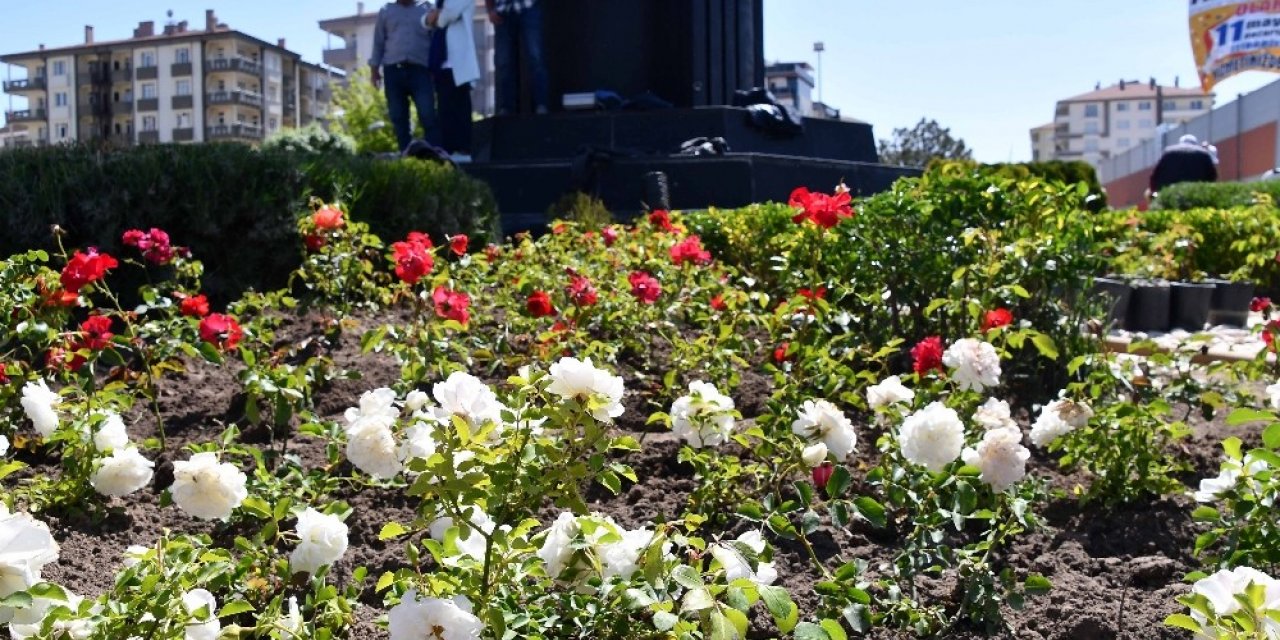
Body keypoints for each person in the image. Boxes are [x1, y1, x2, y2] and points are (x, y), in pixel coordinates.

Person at [369, 0, 440, 152]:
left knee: (428, 115)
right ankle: (405, 156)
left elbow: (435, 40)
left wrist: (436, 69)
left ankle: (436, 156)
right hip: (393, 71)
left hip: (420, 70)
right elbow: (378, 42)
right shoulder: (386, 10)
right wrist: (374, 70)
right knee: (398, 118)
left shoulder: (427, 9)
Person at [425, 0, 480, 160]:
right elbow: (425, 21)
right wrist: (432, 17)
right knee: (444, 111)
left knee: (460, 109)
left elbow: (445, 17)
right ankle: (448, 153)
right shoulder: (440, 2)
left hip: (459, 63)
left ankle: (464, 151)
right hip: (442, 64)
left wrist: (435, 16)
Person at [485, 0, 549, 115]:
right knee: (504, 62)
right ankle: (506, 107)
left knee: (535, 57)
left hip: (528, 7)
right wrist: (490, 10)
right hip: (502, 11)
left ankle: (541, 104)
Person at [1149, 134, 1218, 194]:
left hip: (1170, 193)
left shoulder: (1168, 152)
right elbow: (1212, 176)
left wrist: (1154, 191)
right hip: (1196, 193)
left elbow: (1155, 175)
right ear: (1195, 144)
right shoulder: (1203, 154)